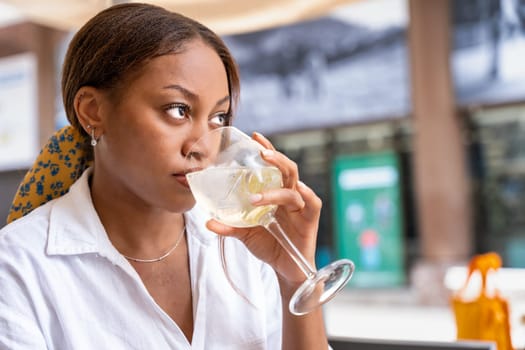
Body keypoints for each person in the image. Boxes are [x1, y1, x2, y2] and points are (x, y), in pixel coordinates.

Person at [0, 3, 330, 349]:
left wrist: (295, 279)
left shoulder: (246, 247)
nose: (201, 146)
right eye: (178, 110)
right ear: (92, 111)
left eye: (218, 118)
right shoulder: (18, 268)